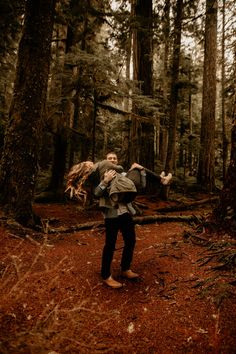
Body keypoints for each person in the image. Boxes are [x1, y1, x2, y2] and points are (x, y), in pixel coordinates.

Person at [94, 152, 172, 289]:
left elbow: (139, 186)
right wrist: (105, 181)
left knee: (131, 240)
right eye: (109, 158)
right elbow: (96, 194)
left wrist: (141, 171)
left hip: (125, 212)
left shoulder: (123, 175)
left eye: (114, 158)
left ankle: (125, 269)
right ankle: (106, 275)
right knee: (110, 245)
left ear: (117, 161)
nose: (112, 160)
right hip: (111, 214)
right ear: (106, 162)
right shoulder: (103, 175)